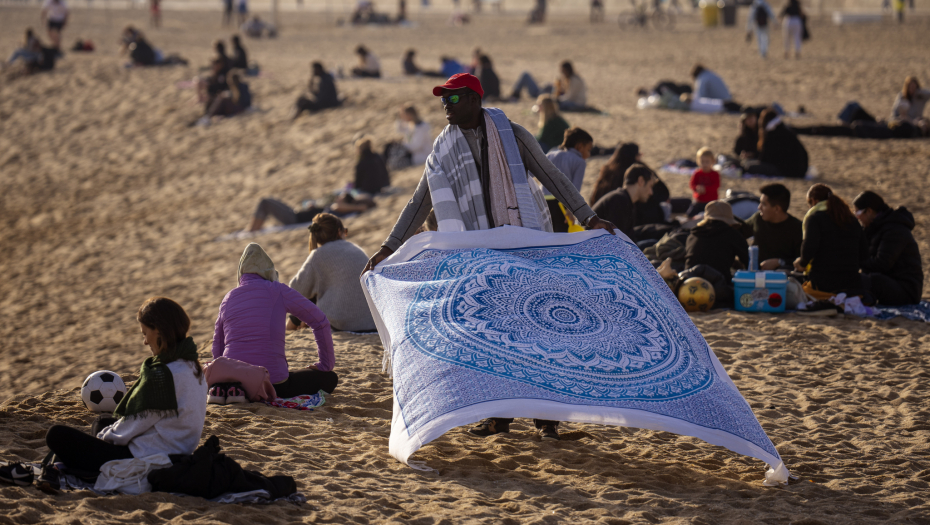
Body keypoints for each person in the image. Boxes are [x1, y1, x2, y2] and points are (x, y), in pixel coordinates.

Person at [361, 73, 618, 442]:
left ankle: (547, 421)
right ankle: (499, 418)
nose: (444, 106)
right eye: (442, 100)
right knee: (496, 337)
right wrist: (388, 247)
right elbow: (421, 201)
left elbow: (552, 176)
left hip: (525, 247)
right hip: (480, 257)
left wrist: (587, 216)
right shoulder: (443, 147)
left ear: (474, 99)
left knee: (538, 333)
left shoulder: (512, 135)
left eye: (452, 99)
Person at [44, 298, 207, 474]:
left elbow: (135, 424)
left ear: (158, 330)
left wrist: (101, 439)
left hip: (150, 458)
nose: (145, 341)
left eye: (145, 334)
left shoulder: (162, 375)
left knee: (56, 435)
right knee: (102, 421)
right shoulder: (193, 366)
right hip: (180, 450)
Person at [212, 243, 338, 398]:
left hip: (232, 381)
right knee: (330, 378)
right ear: (270, 270)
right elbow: (320, 321)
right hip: (274, 383)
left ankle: (232, 390)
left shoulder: (228, 298)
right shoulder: (277, 290)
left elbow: (217, 346)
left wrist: (222, 376)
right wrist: (325, 365)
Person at [287, 214, 377, 332]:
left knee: (309, 294)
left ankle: (287, 331)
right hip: (371, 323)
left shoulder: (318, 255)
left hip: (341, 324)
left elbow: (295, 290)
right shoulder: (356, 249)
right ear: (339, 232)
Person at [794, 184, 866, 295]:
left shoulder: (815, 218)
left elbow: (810, 246)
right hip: (852, 285)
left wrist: (802, 263)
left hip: (822, 284)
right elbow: (864, 253)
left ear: (813, 201)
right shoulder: (852, 220)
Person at [853, 191, 923, 306]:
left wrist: (857, 261)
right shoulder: (872, 228)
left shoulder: (895, 229)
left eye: (858, 213)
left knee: (873, 281)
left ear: (869, 211)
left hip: (907, 290)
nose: (857, 217)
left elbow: (882, 263)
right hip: (888, 281)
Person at [685, 200, 749, 285]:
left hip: (689, 284)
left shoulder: (693, 235)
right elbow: (749, 260)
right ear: (729, 220)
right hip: (718, 288)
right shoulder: (731, 234)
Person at [545, 127, 594, 232]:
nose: (589, 154)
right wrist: (571, 209)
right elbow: (575, 188)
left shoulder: (550, 154)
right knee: (562, 237)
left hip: (543, 200)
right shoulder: (579, 161)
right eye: (588, 150)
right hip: (561, 203)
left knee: (547, 233)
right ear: (579, 146)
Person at [744, 183, 802, 270]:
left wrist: (779, 262)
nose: (759, 207)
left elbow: (803, 260)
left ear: (777, 209)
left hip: (784, 278)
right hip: (754, 275)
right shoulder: (758, 219)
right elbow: (737, 234)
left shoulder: (797, 228)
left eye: (763, 204)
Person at [591, 164, 656, 241]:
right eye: (650, 186)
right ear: (641, 181)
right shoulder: (619, 200)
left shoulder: (625, 199)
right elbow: (616, 239)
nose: (651, 192)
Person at [752, 108, 809, 179]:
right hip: (800, 170)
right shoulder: (786, 130)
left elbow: (764, 159)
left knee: (750, 167)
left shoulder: (772, 134)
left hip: (786, 171)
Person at [510, 61, 587, 111]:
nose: (562, 73)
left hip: (576, 104)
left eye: (563, 71)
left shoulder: (574, 80)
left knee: (553, 104)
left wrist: (556, 99)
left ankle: (515, 95)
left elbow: (570, 97)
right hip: (570, 100)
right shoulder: (571, 79)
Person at [384, 105, 432, 170]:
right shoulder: (412, 124)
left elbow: (415, 146)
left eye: (404, 115)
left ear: (409, 115)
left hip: (419, 155)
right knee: (389, 146)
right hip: (411, 153)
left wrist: (403, 145)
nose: (403, 117)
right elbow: (400, 129)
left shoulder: (422, 127)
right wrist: (399, 118)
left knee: (395, 157)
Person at [688, 147, 720, 217]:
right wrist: (697, 188)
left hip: (711, 201)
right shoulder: (697, 173)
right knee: (690, 215)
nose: (704, 164)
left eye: (707, 162)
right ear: (698, 162)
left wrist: (705, 189)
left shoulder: (715, 174)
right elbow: (692, 184)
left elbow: (716, 186)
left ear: (712, 161)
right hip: (699, 200)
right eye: (702, 162)